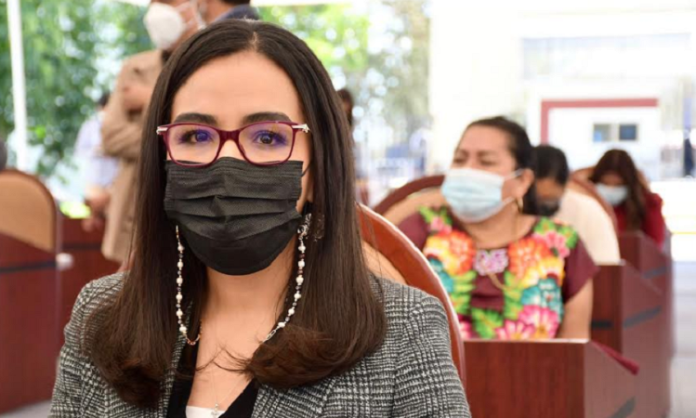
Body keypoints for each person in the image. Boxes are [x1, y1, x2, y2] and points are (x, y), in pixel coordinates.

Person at [51, 20, 470, 418]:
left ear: (319, 167)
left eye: (267, 137)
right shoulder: (100, 316)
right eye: (195, 136)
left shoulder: (405, 329)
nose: (228, 162)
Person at [399, 117, 595, 340]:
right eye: (459, 159)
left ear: (522, 180)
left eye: (486, 162)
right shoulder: (420, 230)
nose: (468, 170)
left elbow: (575, 349)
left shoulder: (560, 243)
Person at [100, 0, 199, 263]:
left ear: (195, 5)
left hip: (191, 210)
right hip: (135, 211)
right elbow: (111, 138)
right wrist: (175, 136)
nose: (158, 10)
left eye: (168, 2)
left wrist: (151, 98)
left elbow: (206, 137)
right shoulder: (134, 68)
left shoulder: (212, 64)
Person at [534, 145, 621, 265]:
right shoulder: (513, 208)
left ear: (566, 185)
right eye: (536, 199)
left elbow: (607, 265)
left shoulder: (588, 211)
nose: (542, 206)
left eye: (549, 199)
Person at [589, 149, 667, 247]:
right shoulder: (587, 201)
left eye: (618, 185)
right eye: (605, 184)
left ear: (629, 183)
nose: (611, 189)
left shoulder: (647, 202)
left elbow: (655, 244)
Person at [74, 93, 119, 232]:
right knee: (93, 218)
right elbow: (80, 151)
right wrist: (96, 151)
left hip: (114, 179)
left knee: (113, 217)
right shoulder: (90, 126)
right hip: (95, 179)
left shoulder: (118, 127)